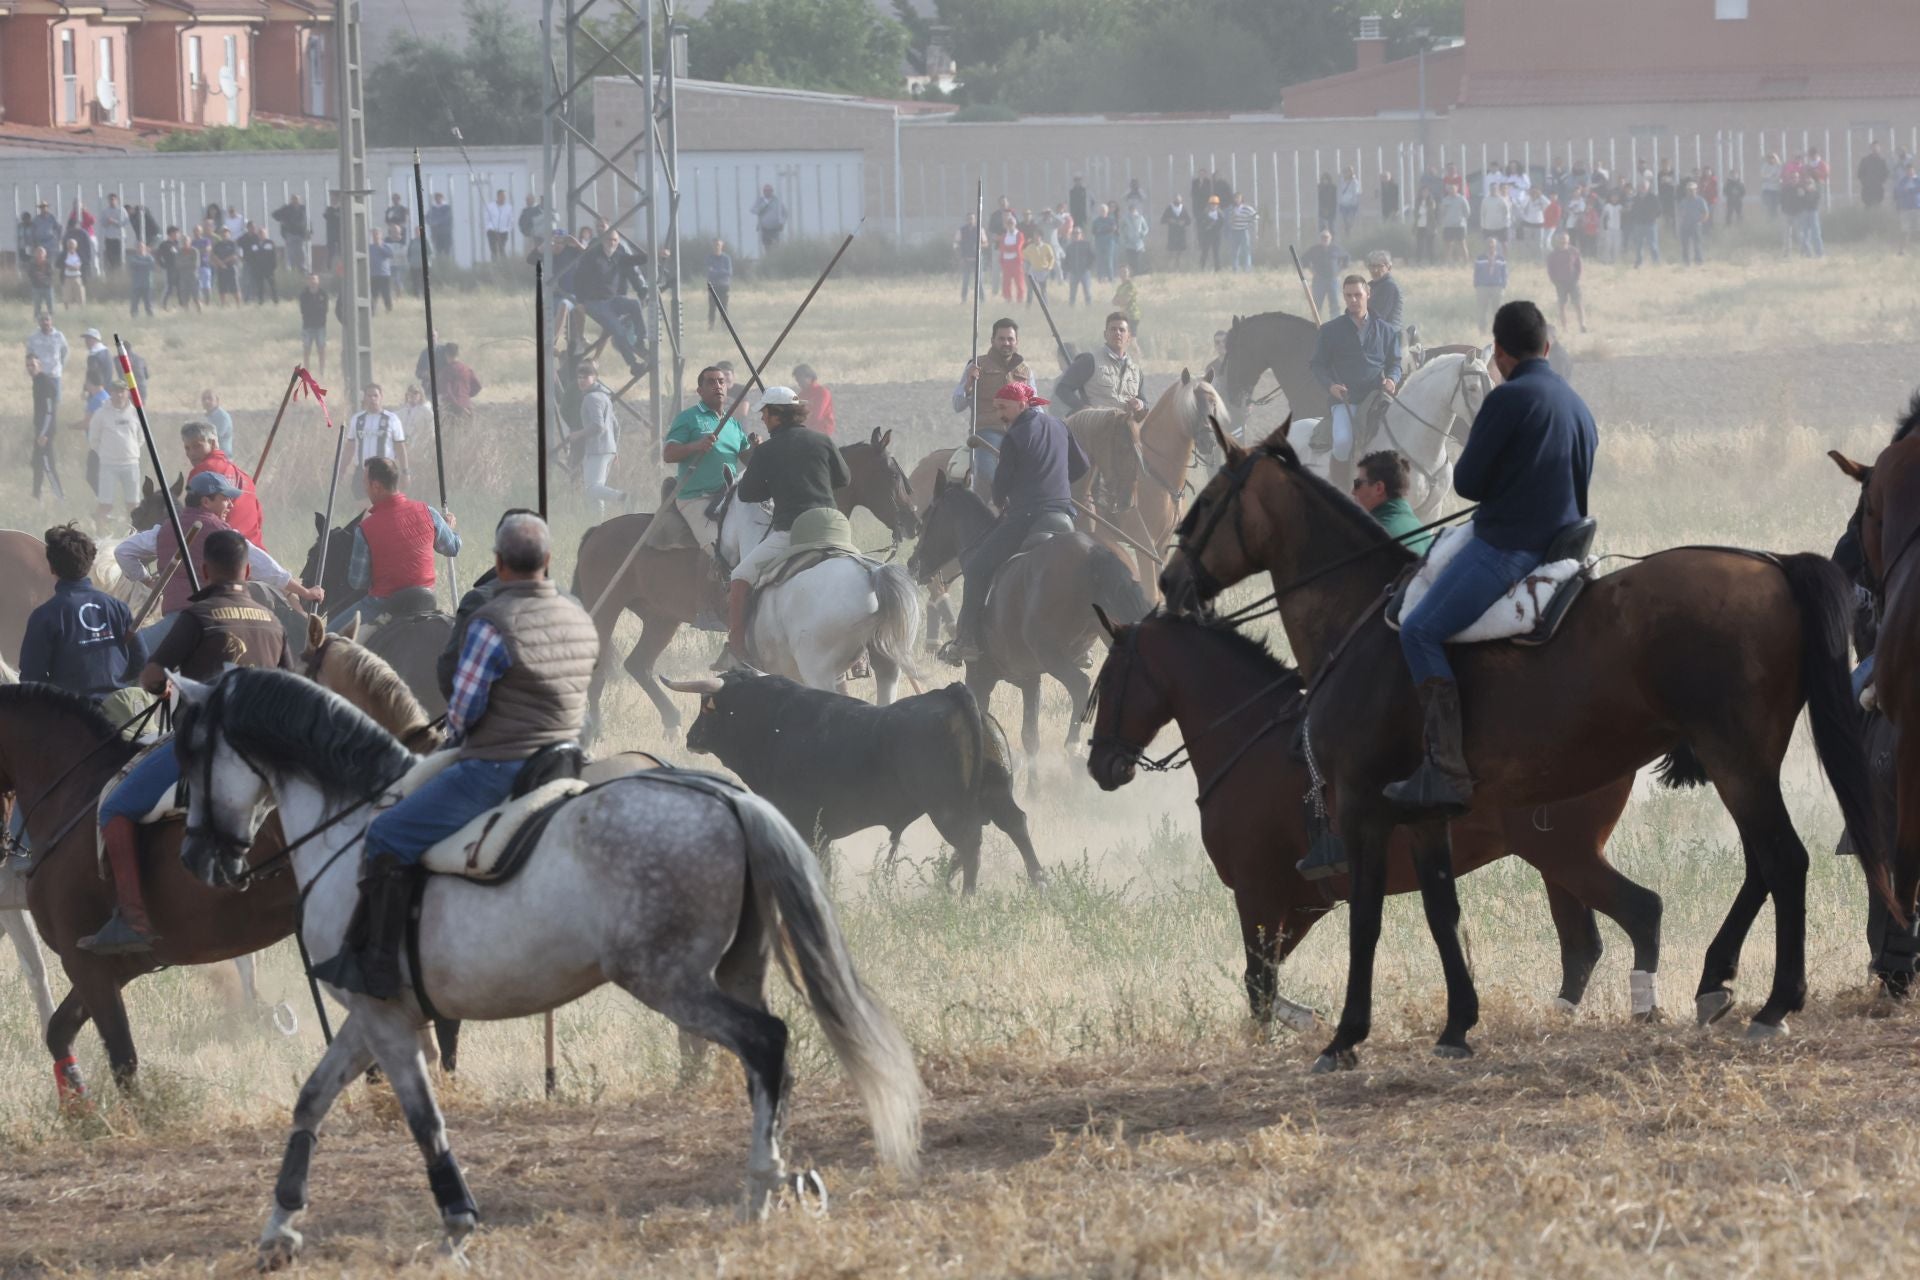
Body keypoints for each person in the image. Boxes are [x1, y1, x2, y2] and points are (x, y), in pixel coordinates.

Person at [312, 514, 596, 997]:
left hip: (500, 767)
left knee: (386, 832)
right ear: (548, 562)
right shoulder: (578, 615)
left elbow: (463, 713)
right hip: (568, 758)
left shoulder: (491, 623)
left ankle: (376, 966)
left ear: (499, 565)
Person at [1385, 300, 1595, 819]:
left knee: (1418, 631)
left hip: (1509, 549)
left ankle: (1446, 768)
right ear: (1546, 347)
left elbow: (1468, 483)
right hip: (1566, 548)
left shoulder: (1506, 401)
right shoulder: (1577, 404)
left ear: (1499, 355)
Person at [84, 530, 292, 954]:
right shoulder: (273, 621)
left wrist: (162, 683)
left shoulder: (198, 617)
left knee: (115, 806)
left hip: (208, 746)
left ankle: (133, 920)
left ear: (203, 570)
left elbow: (151, 676)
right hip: (269, 752)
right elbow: (294, 687)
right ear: (248, 572)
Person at [944, 383, 1089, 664]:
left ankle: (966, 640)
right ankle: (1081, 646)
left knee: (976, 568)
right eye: (997, 407)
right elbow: (1081, 466)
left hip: (1027, 517)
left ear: (1022, 404)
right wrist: (1053, 482)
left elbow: (1000, 487)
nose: (999, 414)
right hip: (1064, 514)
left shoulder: (1016, 435)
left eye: (1003, 407)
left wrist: (1004, 500)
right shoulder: (1059, 425)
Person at [723, 387, 851, 664]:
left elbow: (747, 494)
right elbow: (843, 479)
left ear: (776, 415)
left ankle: (736, 645)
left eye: (765, 414)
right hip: (834, 529)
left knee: (740, 578)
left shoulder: (767, 450)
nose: (762, 420)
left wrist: (767, 471)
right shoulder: (822, 440)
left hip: (794, 532)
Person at [332, 456, 461, 632]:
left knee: (326, 637)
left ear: (376, 486)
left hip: (383, 604)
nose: (364, 488)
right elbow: (453, 547)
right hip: (426, 600)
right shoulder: (428, 512)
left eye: (365, 482)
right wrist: (447, 528)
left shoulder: (365, 528)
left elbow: (357, 582)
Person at [18, 523, 145, 701]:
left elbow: (32, 677)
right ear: (90, 562)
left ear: (52, 568)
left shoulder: (45, 616)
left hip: (74, 716)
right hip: (120, 712)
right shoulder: (118, 607)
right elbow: (140, 659)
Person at [1309, 274, 1402, 493]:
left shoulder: (1387, 330)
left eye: (1357, 295)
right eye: (1348, 295)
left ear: (1368, 294)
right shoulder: (1330, 330)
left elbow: (1395, 363)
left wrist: (1393, 379)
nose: (1353, 300)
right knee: (1342, 442)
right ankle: (1340, 490)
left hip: (1378, 399)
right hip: (1345, 400)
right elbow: (1317, 365)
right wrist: (1331, 386)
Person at [657, 365, 750, 556]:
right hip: (697, 498)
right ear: (700, 391)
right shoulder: (688, 418)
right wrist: (695, 446)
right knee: (723, 552)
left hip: (728, 498)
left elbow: (748, 458)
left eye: (721, 382)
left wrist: (757, 448)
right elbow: (668, 454)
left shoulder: (732, 423)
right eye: (711, 382)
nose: (717, 386)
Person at [952, 318, 1032, 492]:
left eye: (1010, 339)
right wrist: (969, 385)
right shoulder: (976, 365)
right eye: (1001, 339)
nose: (1006, 343)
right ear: (992, 341)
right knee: (989, 475)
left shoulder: (1025, 371)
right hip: (987, 432)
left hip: (1019, 433)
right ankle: (986, 510)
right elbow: (957, 404)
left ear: (1016, 342)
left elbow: (1034, 406)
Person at [183, 419, 265, 548]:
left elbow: (191, 518)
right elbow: (259, 518)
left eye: (197, 446)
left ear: (213, 443)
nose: (191, 454)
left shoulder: (201, 474)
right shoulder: (246, 477)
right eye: (187, 448)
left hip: (225, 554)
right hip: (255, 553)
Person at [568, 360, 624, 512]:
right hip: (608, 449)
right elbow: (616, 426)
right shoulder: (604, 396)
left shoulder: (591, 398)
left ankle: (623, 497)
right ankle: (598, 522)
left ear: (595, 378)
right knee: (597, 491)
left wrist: (578, 434)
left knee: (591, 489)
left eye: (586, 377)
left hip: (597, 449)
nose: (581, 381)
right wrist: (615, 450)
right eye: (579, 377)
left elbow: (598, 425)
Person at [1351, 451, 1432, 554]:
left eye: (1357, 484)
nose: (1353, 492)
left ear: (1378, 488)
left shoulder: (1374, 535)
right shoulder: (1425, 534)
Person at [88, 380, 141, 528]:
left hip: (131, 463)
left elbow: (141, 437)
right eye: (115, 391)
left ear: (127, 392)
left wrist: (131, 451)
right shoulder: (101, 413)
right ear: (110, 393)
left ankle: (133, 534)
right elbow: (94, 439)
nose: (119, 395)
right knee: (105, 504)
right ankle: (100, 535)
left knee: (133, 504)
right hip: (108, 464)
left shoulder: (136, 413)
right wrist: (106, 453)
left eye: (122, 391)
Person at [342, 384, 410, 498]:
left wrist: (405, 472)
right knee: (362, 507)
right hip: (363, 471)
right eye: (369, 396)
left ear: (381, 397)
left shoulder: (392, 419)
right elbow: (350, 446)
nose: (372, 398)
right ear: (364, 398)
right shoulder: (357, 419)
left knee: (384, 505)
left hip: (384, 471)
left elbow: (400, 447)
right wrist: (341, 469)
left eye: (375, 395)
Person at [1084, 313, 1144, 415]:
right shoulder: (1090, 361)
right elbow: (1064, 388)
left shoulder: (1136, 370)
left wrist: (1139, 404)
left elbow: (1144, 401)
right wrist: (1082, 408)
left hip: (1125, 426)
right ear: (1105, 334)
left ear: (1128, 336)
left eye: (1122, 330)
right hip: (1097, 427)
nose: (1117, 333)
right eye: (1113, 329)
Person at [26, 354, 62, 503]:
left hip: (45, 432)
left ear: (39, 365)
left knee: (48, 465)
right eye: (28, 365)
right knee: (37, 463)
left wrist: (44, 433)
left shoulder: (45, 383)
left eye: (32, 365)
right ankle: (36, 496)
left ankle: (60, 498)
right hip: (40, 431)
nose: (30, 368)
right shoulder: (37, 382)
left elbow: (49, 411)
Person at [1301, 230, 1348, 322]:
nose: (1325, 239)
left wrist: (1339, 270)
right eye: (1323, 237)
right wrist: (1311, 270)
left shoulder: (1336, 249)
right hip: (1319, 280)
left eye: (1327, 237)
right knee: (1316, 304)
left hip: (1333, 280)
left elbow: (1346, 258)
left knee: (1334, 303)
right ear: (1320, 238)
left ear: (1330, 238)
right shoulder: (1314, 249)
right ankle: (1315, 324)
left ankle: (1336, 323)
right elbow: (1304, 259)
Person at [1546, 231, 1586, 333]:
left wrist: (1577, 278)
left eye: (1564, 240)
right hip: (1560, 283)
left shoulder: (1574, 251)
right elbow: (1550, 270)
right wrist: (1554, 281)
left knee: (1578, 304)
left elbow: (1579, 266)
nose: (1562, 242)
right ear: (1557, 241)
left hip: (1573, 282)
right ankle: (1565, 328)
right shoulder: (1553, 254)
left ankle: (1582, 325)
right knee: (1562, 306)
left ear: (1568, 240)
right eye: (1560, 240)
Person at [1473, 238, 1509, 331]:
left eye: (1492, 243)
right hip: (1483, 287)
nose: (1491, 245)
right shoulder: (1480, 258)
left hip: (1497, 286)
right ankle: (1482, 330)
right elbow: (1476, 272)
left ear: (1496, 245)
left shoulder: (1501, 259)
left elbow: (1504, 273)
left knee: (1497, 310)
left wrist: (1503, 285)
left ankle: (1498, 331)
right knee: (1482, 310)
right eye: (1489, 243)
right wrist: (1477, 284)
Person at [440, 342, 482, 419]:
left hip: (451, 410)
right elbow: (478, 386)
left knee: (450, 431)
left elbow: (447, 392)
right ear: (457, 354)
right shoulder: (467, 369)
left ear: (446, 354)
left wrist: (458, 407)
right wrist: (466, 395)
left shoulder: (446, 371)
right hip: (467, 406)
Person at [793, 364, 836, 436]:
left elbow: (817, 416)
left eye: (800, 380)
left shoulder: (822, 392)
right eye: (797, 381)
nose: (798, 384)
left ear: (809, 377)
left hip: (822, 430)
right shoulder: (802, 394)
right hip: (806, 429)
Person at [299, 274, 329, 376]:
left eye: (314, 279)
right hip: (307, 326)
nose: (313, 281)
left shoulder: (323, 294)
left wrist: (315, 310)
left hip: (320, 326)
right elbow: (303, 310)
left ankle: (322, 372)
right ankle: (307, 372)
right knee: (307, 350)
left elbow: (325, 310)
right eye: (310, 279)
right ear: (308, 281)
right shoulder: (304, 295)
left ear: (318, 281)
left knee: (321, 349)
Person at [1364, 251, 1403, 329]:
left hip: (1388, 333)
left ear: (1389, 267)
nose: (1375, 270)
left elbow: (1379, 316)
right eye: (1372, 266)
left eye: (1379, 266)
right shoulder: (1371, 285)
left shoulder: (1389, 286)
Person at [272, 195, 309, 274]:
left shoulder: (303, 208)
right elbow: (275, 215)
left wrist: (308, 231)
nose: (295, 201)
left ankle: (302, 269)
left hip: (300, 234)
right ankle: (293, 269)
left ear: (299, 200)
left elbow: (306, 221)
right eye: (294, 199)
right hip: (290, 234)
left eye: (297, 199)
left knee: (301, 252)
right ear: (291, 200)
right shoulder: (287, 209)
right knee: (291, 252)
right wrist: (284, 218)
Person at [1676, 179, 1709, 266]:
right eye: (1689, 190)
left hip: (1696, 225)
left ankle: (1699, 261)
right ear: (1686, 191)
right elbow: (1680, 213)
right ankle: (1686, 262)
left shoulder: (1701, 201)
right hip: (1685, 226)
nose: (1690, 191)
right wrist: (1682, 221)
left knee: (1697, 245)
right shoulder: (1683, 201)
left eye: (1692, 189)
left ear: (1696, 190)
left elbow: (1706, 213)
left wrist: (1700, 222)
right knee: (1685, 245)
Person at [705, 237, 732, 330]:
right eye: (715, 245)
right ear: (713, 246)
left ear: (722, 246)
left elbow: (729, 272)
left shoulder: (726, 258)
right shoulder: (709, 258)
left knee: (724, 307)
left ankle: (725, 327)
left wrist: (715, 271)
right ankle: (710, 326)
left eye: (718, 245)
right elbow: (709, 273)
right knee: (712, 308)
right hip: (713, 286)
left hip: (724, 286)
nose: (717, 247)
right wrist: (721, 272)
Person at [1063, 228, 1095, 306]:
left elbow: (1092, 256)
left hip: (1084, 272)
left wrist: (1088, 267)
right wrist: (1068, 269)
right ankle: (1071, 308)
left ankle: (1089, 308)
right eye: (1074, 233)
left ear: (1081, 235)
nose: (1076, 235)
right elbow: (1066, 260)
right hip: (1073, 273)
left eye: (1078, 233)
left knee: (1087, 292)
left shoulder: (1086, 244)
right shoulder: (1069, 247)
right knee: (1072, 293)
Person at [752, 184, 787, 252]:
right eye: (766, 190)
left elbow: (785, 213)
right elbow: (753, 210)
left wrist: (782, 222)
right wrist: (763, 205)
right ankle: (768, 259)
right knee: (767, 246)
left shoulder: (777, 201)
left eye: (769, 190)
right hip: (765, 228)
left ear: (772, 191)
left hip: (775, 228)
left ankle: (776, 259)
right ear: (763, 192)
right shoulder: (760, 200)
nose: (767, 192)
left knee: (776, 246)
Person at [200, 388, 235, 456]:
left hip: (222, 458)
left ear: (217, 400)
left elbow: (215, 438)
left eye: (210, 398)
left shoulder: (222, 417)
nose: (206, 401)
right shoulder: (207, 416)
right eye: (204, 399)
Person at [1228, 194, 1258, 272]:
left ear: (1241, 199)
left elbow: (1256, 216)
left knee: (1246, 250)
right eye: (1235, 198)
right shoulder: (1232, 209)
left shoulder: (1247, 208)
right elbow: (1229, 219)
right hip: (1234, 231)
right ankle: (1235, 268)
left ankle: (1247, 268)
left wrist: (1249, 224)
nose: (1237, 200)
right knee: (1234, 251)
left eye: (1238, 198)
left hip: (1244, 231)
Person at [367, 229, 395, 311]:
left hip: (384, 274)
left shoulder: (386, 245)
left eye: (377, 234)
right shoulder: (370, 247)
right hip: (373, 274)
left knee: (386, 294)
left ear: (381, 235)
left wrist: (380, 247)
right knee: (373, 294)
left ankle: (388, 309)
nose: (375, 236)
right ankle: (372, 311)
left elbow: (391, 255)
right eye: (374, 235)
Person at [483, 190, 515, 261]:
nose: (503, 198)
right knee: (493, 249)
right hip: (492, 231)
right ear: (498, 196)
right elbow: (486, 219)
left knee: (502, 249)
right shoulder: (490, 206)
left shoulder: (508, 207)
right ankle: (494, 264)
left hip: (503, 232)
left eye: (504, 196)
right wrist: (488, 228)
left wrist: (507, 229)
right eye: (501, 196)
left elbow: (511, 220)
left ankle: (503, 266)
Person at [1161, 194, 1190, 269]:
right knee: (1171, 251)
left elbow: (1189, 221)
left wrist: (1183, 222)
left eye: (1179, 200)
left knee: (1179, 252)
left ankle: (1178, 267)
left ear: (1181, 201)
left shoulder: (1183, 208)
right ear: (1174, 200)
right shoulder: (1169, 208)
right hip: (1172, 233)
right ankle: (1167, 267)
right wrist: (1169, 220)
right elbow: (1162, 220)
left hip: (1181, 233)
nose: (1178, 202)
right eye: (1176, 200)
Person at [1896, 162, 1920, 255]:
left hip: (1917, 208)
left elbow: (1918, 189)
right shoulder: (1902, 181)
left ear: (1914, 170)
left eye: (1911, 169)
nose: (1910, 171)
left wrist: (1909, 190)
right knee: (1904, 230)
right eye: (1908, 170)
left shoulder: (1918, 180)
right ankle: (1902, 250)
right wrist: (1910, 191)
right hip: (1905, 209)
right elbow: (1899, 191)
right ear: (1906, 171)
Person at [1860, 140, 1891, 209]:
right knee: (1868, 208)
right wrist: (1865, 182)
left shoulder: (1882, 161)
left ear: (1880, 148)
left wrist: (1881, 182)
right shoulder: (1865, 160)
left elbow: (1886, 173)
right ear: (1871, 148)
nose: (1875, 149)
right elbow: (1860, 174)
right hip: (1867, 189)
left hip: (1878, 189)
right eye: (1873, 147)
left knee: (1878, 207)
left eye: (1877, 147)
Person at [101, 194, 125, 274]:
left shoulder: (121, 210)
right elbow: (102, 223)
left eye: (113, 199)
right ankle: (111, 273)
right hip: (109, 237)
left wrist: (114, 221)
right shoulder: (105, 211)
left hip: (118, 237)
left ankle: (119, 272)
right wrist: (108, 222)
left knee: (118, 257)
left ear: (116, 200)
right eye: (110, 200)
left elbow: (124, 223)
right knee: (110, 257)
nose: (111, 201)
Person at [426, 192, 454, 258]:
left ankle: (447, 264)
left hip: (446, 233)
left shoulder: (447, 208)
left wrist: (435, 222)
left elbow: (445, 218)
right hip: (436, 234)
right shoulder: (433, 208)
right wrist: (432, 222)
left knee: (447, 251)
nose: (438, 200)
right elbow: (428, 218)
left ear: (442, 198)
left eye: (439, 198)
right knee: (438, 251)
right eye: (436, 198)